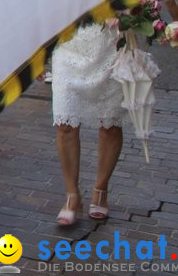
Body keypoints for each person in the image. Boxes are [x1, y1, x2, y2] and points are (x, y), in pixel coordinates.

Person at [51, 18, 125, 226]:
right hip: (68, 44)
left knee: (110, 124)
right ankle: (72, 195)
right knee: (65, 123)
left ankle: (100, 189)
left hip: (110, 45)